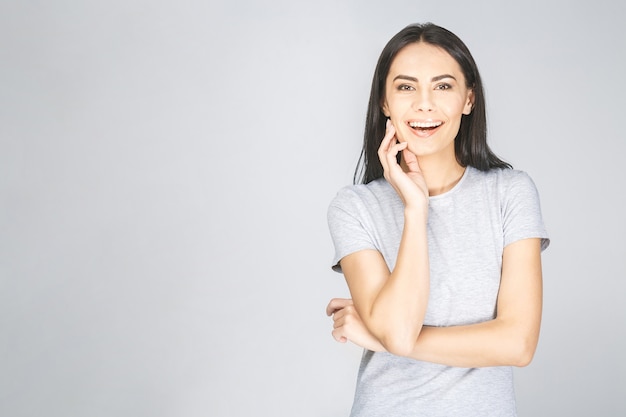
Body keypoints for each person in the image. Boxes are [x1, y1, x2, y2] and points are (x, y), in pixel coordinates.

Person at [325, 22, 550, 417]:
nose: (424, 104)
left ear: (468, 99)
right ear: (384, 102)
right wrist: (415, 209)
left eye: (443, 86)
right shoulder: (354, 207)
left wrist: (385, 339)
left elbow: (518, 344)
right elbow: (397, 329)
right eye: (406, 87)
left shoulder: (511, 192)